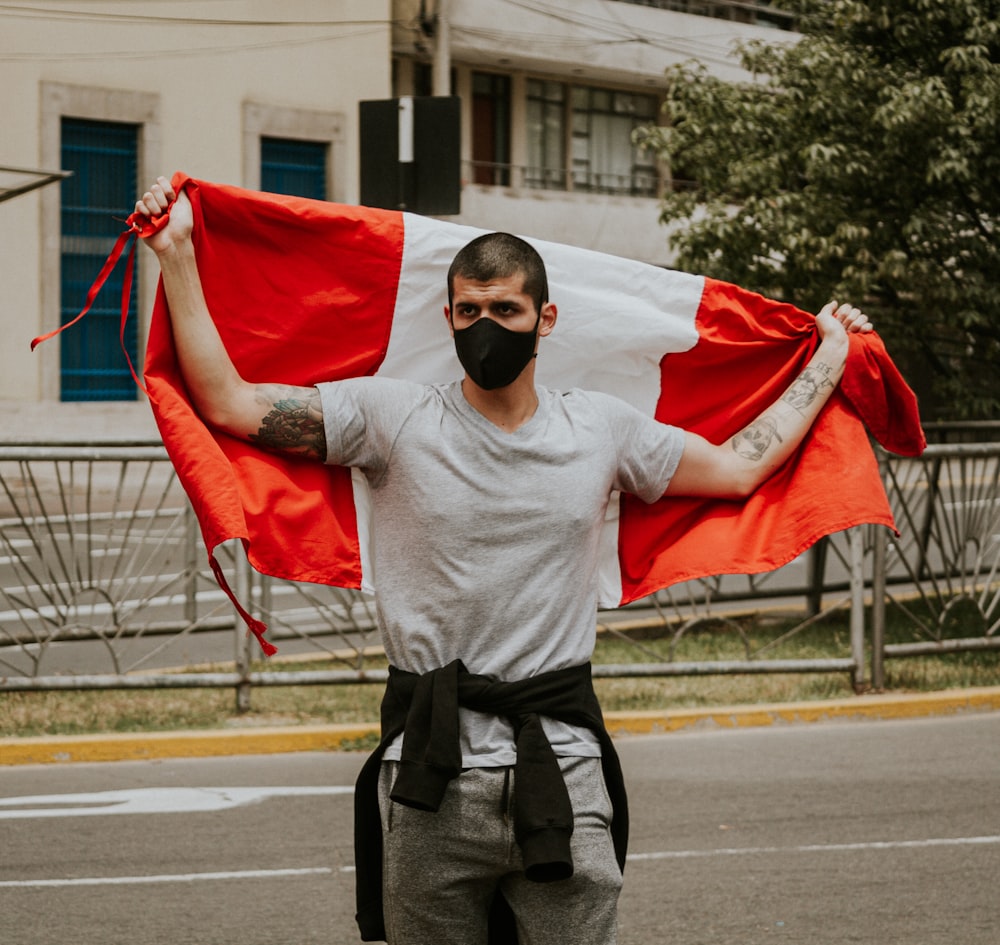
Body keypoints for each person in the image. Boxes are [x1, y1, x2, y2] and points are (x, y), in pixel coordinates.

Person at [134, 176, 873, 945]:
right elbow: (230, 403)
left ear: (544, 319)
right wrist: (177, 256)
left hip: (565, 768)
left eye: (506, 310)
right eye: (469, 310)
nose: (485, 325)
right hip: (429, 776)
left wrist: (828, 355)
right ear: (447, 316)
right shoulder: (393, 416)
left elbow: (736, 466)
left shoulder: (602, 428)